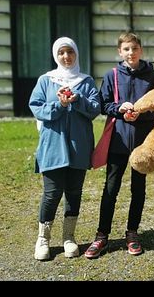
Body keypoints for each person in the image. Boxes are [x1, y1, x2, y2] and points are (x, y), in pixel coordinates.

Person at [84, 32, 154, 258]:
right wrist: (119, 109)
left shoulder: (152, 77)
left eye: (134, 48)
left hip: (143, 142)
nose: (131, 53)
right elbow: (103, 104)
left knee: (138, 188)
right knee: (111, 188)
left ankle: (132, 233)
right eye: (126, 49)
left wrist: (141, 113)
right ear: (120, 52)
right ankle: (101, 236)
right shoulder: (112, 75)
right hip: (118, 140)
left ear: (141, 50)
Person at [29, 37, 101, 261]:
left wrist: (77, 100)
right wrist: (59, 104)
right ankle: (43, 239)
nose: (66, 57)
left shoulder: (85, 81)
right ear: (55, 55)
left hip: (78, 146)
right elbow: (37, 107)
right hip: (53, 146)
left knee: (73, 193)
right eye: (61, 53)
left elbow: (95, 108)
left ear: (76, 54)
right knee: (51, 194)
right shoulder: (46, 80)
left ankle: (69, 237)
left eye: (70, 52)